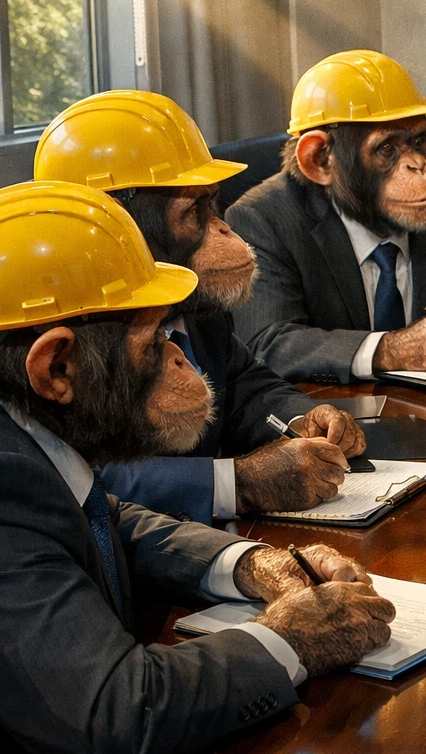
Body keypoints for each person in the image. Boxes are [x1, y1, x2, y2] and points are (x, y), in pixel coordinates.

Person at [0, 182, 395, 754]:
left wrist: (248, 561)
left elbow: (95, 514)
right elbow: (116, 715)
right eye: (156, 342)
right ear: (57, 366)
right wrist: (287, 640)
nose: (180, 359)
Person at [33, 91, 365, 523]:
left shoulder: (188, 291)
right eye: (195, 211)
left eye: (213, 203)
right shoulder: (61, 323)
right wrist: (238, 483)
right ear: (118, 225)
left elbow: (243, 384)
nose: (225, 230)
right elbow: (71, 476)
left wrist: (301, 419)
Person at [227, 50, 426, 384]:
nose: (418, 167)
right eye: (387, 149)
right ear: (321, 160)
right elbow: (267, 342)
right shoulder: (263, 219)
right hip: (329, 418)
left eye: (419, 141)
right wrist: (391, 350)